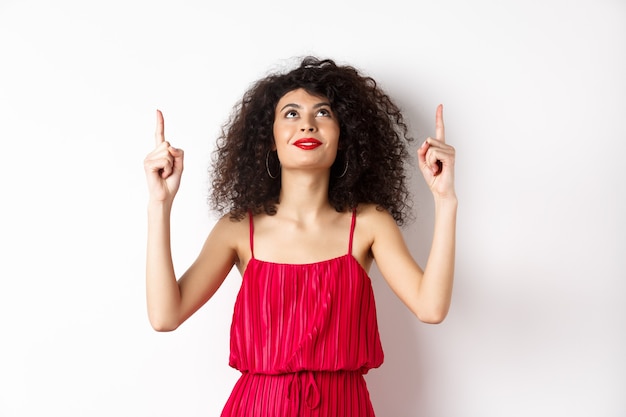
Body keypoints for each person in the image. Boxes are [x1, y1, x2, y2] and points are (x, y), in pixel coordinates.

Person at [143, 56, 457, 416]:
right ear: (270, 139)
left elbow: (431, 309)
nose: (307, 125)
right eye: (291, 114)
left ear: (344, 136)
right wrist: (159, 204)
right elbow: (165, 316)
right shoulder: (238, 229)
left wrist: (445, 201)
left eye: (323, 113)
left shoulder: (370, 224)